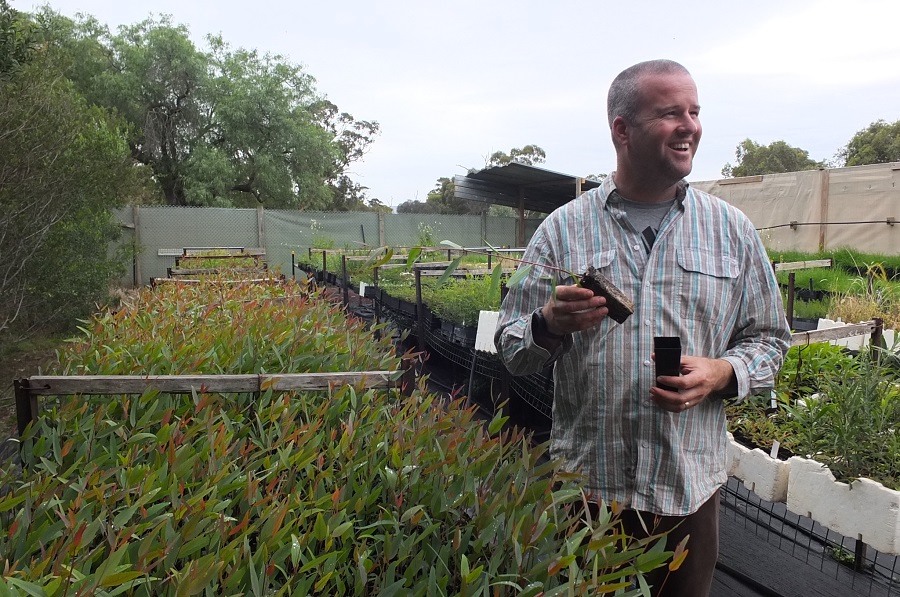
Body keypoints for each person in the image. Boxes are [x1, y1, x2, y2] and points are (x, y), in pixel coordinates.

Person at [493, 59, 791, 597]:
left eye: (694, 112)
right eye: (670, 112)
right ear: (622, 130)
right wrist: (550, 323)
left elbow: (771, 339)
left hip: (688, 494)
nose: (690, 125)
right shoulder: (562, 230)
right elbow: (512, 348)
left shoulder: (732, 231)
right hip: (587, 494)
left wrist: (724, 372)